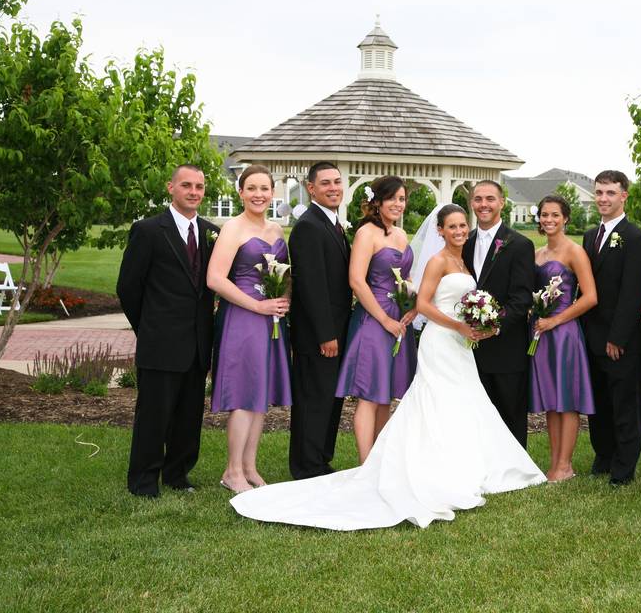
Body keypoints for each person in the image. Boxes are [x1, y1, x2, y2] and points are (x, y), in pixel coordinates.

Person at [229, 204, 546, 530]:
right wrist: (458, 325)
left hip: (460, 344)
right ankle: (415, 466)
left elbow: (436, 298)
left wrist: (479, 319)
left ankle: (461, 462)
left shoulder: (463, 262)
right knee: (433, 399)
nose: (459, 231)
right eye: (451, 226)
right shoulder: (438, 261)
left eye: (463, 225)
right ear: (439, 230)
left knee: (463, 400)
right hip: (442, 341)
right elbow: (425, 303)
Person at [116, 164, 218, 497]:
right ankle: (144, 481)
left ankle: (177, 474)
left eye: (199, 186)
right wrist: (148, 328)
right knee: (153, 417)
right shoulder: (147, 231)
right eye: (186, 185)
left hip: (198, 342)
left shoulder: (211, 232)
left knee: (189, 416)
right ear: (170, 187)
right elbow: (128, 287)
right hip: (160, 341)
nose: (194, 192)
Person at [206, 164, 292, 493]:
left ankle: (249, 466)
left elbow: (285, 275)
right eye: (251, 188)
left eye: (264, 189)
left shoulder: (277, 231)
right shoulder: (233, 228)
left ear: (273, 193)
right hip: (243, 318)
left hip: (270, 320)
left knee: (261, 394)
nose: (258, 195)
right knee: (244, 395)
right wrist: (257, 305)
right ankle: (231, 471)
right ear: (240, 193)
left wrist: (283, 298)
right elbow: (215, 279)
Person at [335, 176, 417, 464]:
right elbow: (357, 281)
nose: (398, 204)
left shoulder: (401, 235)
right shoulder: (366, 233)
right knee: (369, 396)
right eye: (392, 198)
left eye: (402, 199)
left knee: (386, 394)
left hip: (398, 321)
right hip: (373, 321)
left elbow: (405, 278)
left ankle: (380, 461)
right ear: (378, 202)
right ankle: (365, 464)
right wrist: (384, 320)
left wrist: (413, 305)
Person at [582, 170, 641, 486]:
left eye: (610, 193)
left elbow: (633, 292)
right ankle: (604, 455)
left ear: (624, 195)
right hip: (591, 333)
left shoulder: (637, 239)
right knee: (598, 401)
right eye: (599, 192)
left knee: (625, 402)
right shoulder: (589, 236)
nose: (603, 199)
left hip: (619, 336)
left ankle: (624, 466)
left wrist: (617, 337)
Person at [288, 162, 352, 480]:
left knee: (330, 398)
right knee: (314, 399)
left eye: (337, 182)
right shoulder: (308, 226)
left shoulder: (334, 224)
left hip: (338, 329)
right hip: (318, 335)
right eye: (325, 183)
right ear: (311, 188)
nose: (333, 187)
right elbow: (311, 286)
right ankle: (306, 465)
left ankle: (321, 458)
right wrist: (326, 334)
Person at [528, 195, 597, 482]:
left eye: (555, 215)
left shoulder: (574, 252)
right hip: (542, 332)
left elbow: (591, 297)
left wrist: (555, 319)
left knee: (566, 399)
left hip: (564, 332)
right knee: (551, 398)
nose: (549, 220)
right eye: (545, 215)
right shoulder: (537, 254)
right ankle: (555, 463)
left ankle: (565, 465)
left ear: (566, 218)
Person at [462, 180, 534, 447]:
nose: (484, 204)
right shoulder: (464, 243)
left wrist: (493, 326)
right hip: (470, 347)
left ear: (502, 202)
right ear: (472, 203)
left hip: (506, 345)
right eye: (478, 199)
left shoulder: (519, 244)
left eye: (490, 199)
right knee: (478, 411)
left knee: (509, 411)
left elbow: (522, 297)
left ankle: (515, 470)